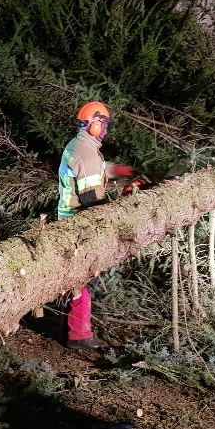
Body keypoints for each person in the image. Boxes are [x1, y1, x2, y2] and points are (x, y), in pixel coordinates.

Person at [57, 101, 134, 349]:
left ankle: (76, 332)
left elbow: (102, 170)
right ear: (94, 124)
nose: (106, 130)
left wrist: (128, 171)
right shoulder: (86, 151)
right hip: (77, 222)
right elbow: (90, 198)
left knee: (81, 280)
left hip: (72, 219)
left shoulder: (83, 145)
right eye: (104, 124)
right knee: (82, 280)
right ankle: (78, 336)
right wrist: (110, 222)